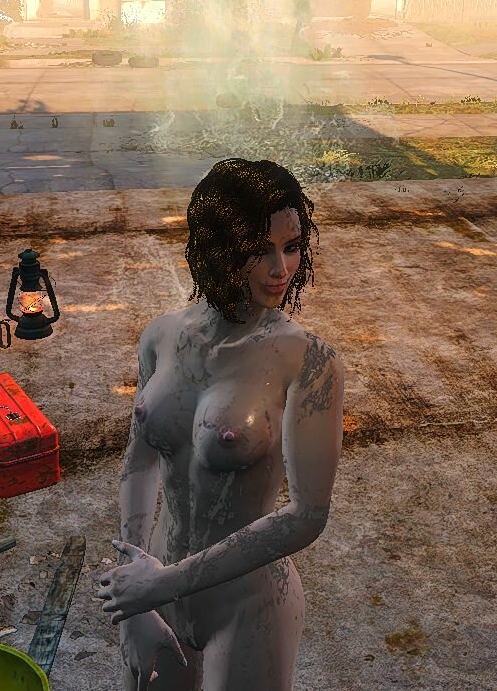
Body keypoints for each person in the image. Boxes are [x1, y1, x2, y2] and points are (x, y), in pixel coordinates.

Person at [94, 158, 346, 691]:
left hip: (249, 605)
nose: (280, 268)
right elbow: (139, 464)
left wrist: (159, 585)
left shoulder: (309, 361)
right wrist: (133, 592)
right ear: (217, 246)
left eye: (292, 246)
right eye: (259, 248)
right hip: (153, 589)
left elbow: (307, 515)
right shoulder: (160, 336)